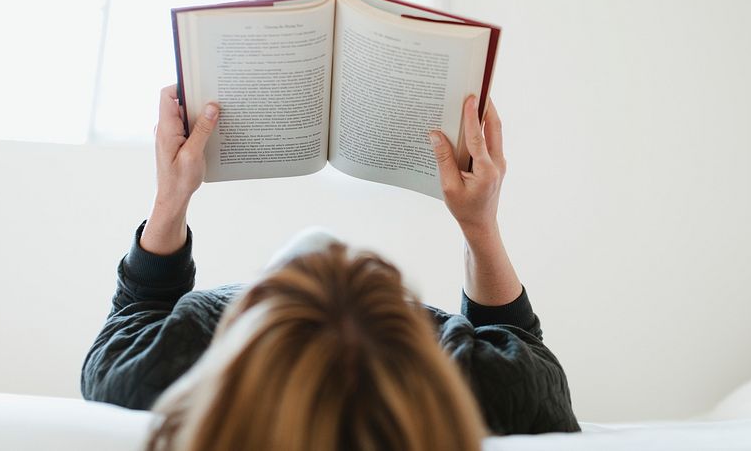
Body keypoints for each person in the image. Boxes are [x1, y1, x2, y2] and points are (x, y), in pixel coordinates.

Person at [82, 85, 579, 450]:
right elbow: (521, 349)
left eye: (273, 289)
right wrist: (480, 227)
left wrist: (170, 198)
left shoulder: (169, 366)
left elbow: (138, 309)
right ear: (417, 344)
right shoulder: (473, 384)